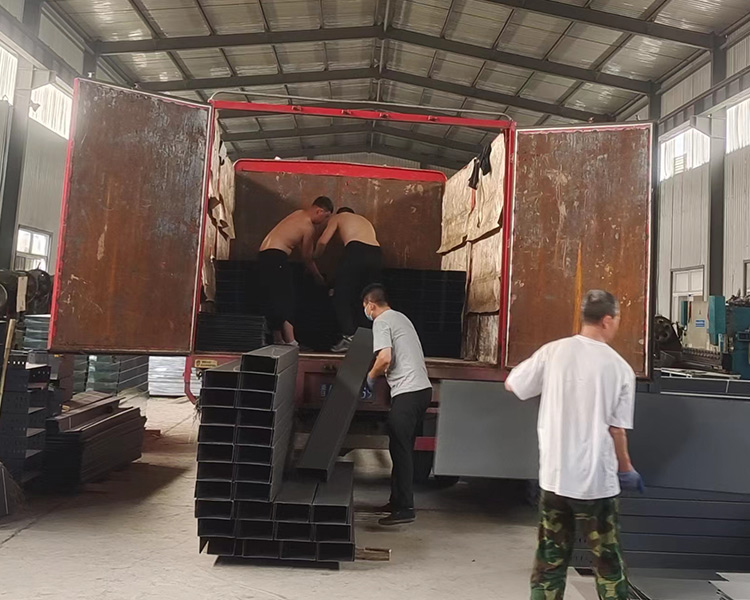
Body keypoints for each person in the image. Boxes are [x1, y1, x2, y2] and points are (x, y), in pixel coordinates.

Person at [505, 289, 644, 600]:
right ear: (607, 320)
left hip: (555, 479)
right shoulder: (619, 368)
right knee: (608, 564)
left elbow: (513, 384)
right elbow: (617, 429)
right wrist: (626, 468)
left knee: (549, 562)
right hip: (597, 484)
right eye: (617, 319)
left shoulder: (553, 352)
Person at [363, 283, 432, 526]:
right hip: (421, 391)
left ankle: (405, 508)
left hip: (408, 392)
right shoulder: (401, 317)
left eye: (365, 307)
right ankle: (396, 501)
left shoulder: (381, 321)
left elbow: (385, 357)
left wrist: (370, 377)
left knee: (401, 451)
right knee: (400, 447)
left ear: (371, 305)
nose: (366, 312)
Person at [258, 196, 333, 344]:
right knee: (287, 297)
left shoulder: (297, 214)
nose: (324, 221)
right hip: (276, 257)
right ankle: (290, 340)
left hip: (263, 256)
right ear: (319, 211)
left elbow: (293, 239)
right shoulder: (308, 227)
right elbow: (307, 257)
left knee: (273, 296)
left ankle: (277, 337)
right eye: (326, 217)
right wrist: (317, 276)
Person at [315, 207, 383, 352]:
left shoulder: (338, 217)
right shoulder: (364, 221)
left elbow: (322, 242)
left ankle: (349, 337)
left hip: (356, 251)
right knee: (367, 298)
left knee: (340, 295)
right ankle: (367, 339)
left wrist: (312, 258)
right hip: (377, 253)